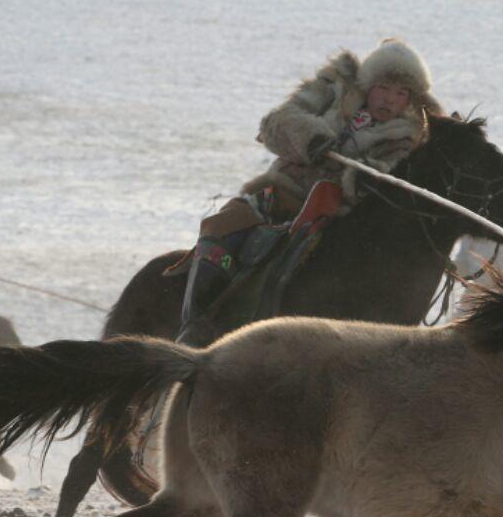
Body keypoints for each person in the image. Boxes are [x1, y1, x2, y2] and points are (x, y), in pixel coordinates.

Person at [176, 38, 443, 345]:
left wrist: (363, 178)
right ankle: (193, 327)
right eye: (383, 87)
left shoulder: (410, 135)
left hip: (338, 216)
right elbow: (276, 123)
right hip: (280, 195)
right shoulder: (332, 88)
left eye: (401, 93)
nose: (389, 100)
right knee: (219, 231)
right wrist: (311, 139)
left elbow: (389, 177)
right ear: (368, 84)